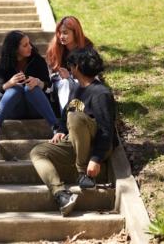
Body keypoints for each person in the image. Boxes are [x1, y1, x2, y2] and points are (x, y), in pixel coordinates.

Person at [30, 48, 119, 217]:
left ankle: (82, 172)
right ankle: (61, 194)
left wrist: (95, 159)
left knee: (76, 117)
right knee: (38, 152)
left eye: (70, 65)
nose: (69, 68)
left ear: (77, 67)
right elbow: (65, 115)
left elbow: (106, 130)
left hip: (96, 146)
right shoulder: (77, 89)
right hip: (76, 142)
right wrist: (61, 130)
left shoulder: (101, 93)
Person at [0, 30, 58, 131]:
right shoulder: (4, 66)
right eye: (25, 45)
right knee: (16, 88)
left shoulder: (38, 61)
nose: (30, 47)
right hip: (15, 110)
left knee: (31, 88)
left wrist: (38, 82)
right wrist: (9, 83)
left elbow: (50, 88)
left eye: (29, 43)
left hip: (37, 109)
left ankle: (55, 126)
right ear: (15, 49)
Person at [46, 16, 94, 111]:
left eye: (65, 33)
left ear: (75, 33)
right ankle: (66, 117)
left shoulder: (87, 47)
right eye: (59, 33)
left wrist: (71, 76)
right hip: (59, 84)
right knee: (65, 83)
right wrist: (65, 77)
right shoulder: (54, 48)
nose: (61, 36)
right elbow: (51, 76)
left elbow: (90, 74)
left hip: (80, 81)